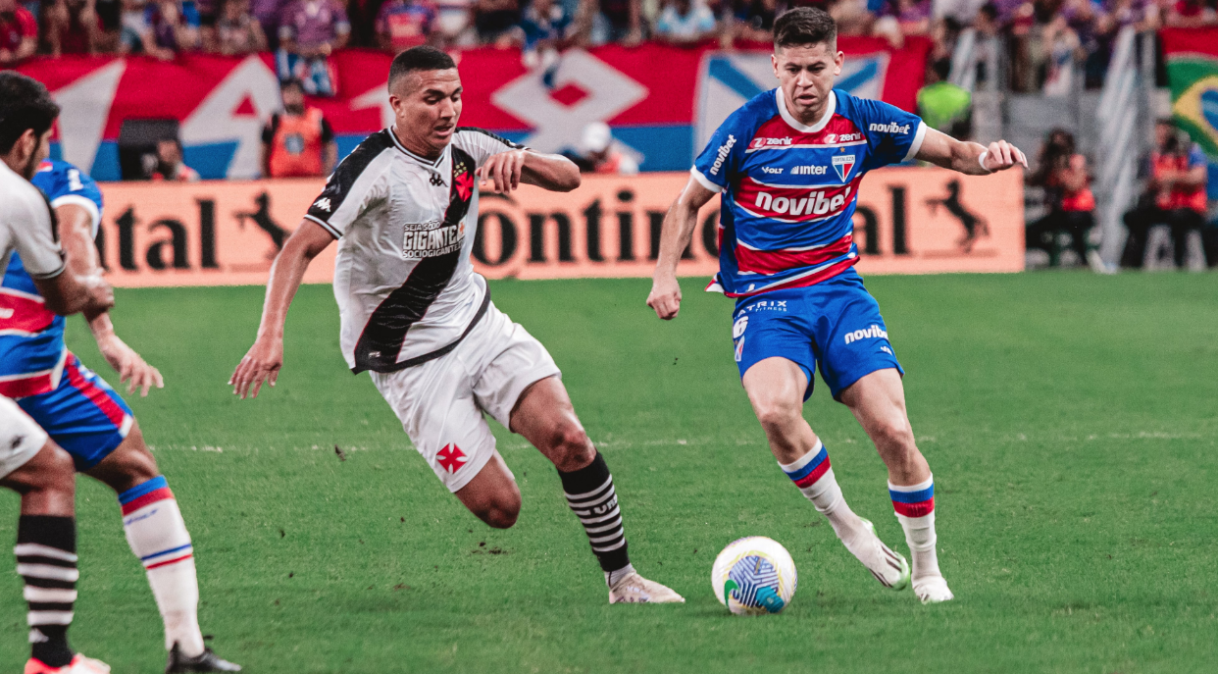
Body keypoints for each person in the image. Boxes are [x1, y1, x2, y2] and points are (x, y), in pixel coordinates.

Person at [230, 46, 683, 604]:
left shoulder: (468, 147)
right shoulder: (372, 168)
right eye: (432, 99)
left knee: (571, 440)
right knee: (502, 510)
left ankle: (624, 580)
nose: (448, 110)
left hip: (477, 325)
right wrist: (271, 333)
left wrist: (529, 164)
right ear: (396, 104)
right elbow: (298, 248)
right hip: (409, 363)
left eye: (456, 96)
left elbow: (570, 178)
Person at [648, 7, 1027, 604]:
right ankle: (849, 525)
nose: (804, 81)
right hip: (766, 299)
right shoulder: (746, 127)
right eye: (792, 68)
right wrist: (664, 273)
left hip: (840, 294)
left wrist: (989, 158)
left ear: (837, 64)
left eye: (816, 68)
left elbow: (954, 153)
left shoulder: (865, 121)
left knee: (894, 430)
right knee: (775, 412)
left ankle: (927, 569)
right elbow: (687, 203)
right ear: (773, 65)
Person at [2, 157, 243, 672]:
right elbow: (76, 238)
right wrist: (106, 331)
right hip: (31, 368)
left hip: (36, 364)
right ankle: (180, 647)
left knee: (63, 474)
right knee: (124, 471)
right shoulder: (56, 180)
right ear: (28, 137)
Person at [0, 70, 116, 674]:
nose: (45, 153)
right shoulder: (18, 196)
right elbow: (63, 294)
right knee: (49, 473)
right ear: (25, 142)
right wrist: (96, 292)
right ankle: (50, 658)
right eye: (43, 141)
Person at [1121, 119, 1210, 269]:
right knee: (1133, 217)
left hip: (1190, 206)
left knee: (1178, 218)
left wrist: (1174, 176)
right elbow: (1146, 182)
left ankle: (1180, 262)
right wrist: (1156, 182)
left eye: (1164, 130)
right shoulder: (1155, 153)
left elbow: (1199, 177)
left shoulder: (1191, 150)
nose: (1160, 134)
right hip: (1166, 206)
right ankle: (1132, 264)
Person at [1025, 129, 1099, 268]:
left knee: (1074, 225)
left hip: (1080, 211)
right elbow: (1030, 180)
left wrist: (1060, 169)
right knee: (1030, 232)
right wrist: (1041, 158)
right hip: (1059, 213)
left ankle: (1085, 260)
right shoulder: (1048, 166)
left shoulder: (1075, 161)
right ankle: (1052, 254)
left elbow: (1074, 185)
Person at [261, 78, 338, 178]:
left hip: (310, 181)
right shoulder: (274, 121)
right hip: (279, 183)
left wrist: (324, 175)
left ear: (302, 94)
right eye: (287, 92)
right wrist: (267, 180)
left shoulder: (316, 118)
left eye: (294, 91)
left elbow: (330, 148)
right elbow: (263, 152)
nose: (291, 96)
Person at [277, 0, 350, 96]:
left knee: (328, 95)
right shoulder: (291, 8)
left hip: (327, 61)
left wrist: (324, 48)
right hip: (299, 61)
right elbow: (284, 41)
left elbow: (343, 38)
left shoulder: (334, 6)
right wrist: (301, 50)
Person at [562, 121, 639, 174]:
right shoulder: (581, 164)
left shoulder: (624, 165)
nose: (595, 153)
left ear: (607, 144)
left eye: (598, 150)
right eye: (592, 150)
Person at [0, 0, 39, 64]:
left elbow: (29, 46)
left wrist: (12, 56)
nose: (4, 2)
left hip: (19, 63)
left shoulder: (25, 17)